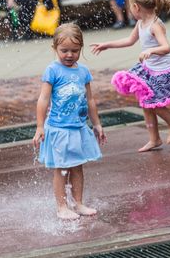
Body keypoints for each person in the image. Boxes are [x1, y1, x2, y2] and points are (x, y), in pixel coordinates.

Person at [91, 0, 170, 152]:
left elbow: (166, 47)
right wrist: (107, 45)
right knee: (146, 103)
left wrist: (151, 50)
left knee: (155, 103)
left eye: (129, 6)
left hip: (163, 71)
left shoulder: (155, 24)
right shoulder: (141, 22)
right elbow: (130, 40)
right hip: (149, 69)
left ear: (135, 7)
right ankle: (154, 139)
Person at [33, 23, 106, 220]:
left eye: (74, 51)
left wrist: (97, 124)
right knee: (61, 168)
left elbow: (90, 100)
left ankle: (78, 203)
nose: (69, 55)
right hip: (59, 128)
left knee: (77, 166)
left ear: (81, 48)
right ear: (54, 48)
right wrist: (40, 126)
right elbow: (43, 99)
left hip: (79, 128)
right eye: (64, 50)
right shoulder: (52, 71)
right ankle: (61, 206)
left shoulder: (83, 72)